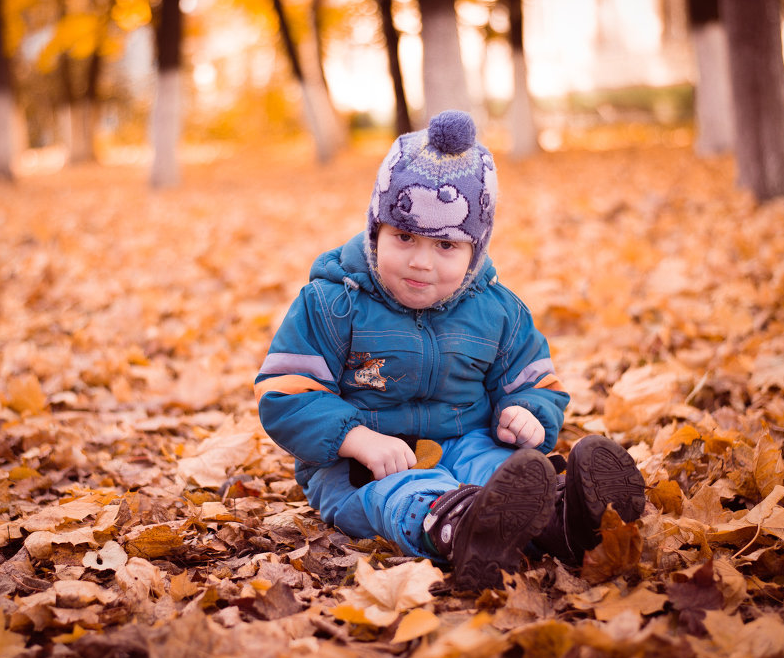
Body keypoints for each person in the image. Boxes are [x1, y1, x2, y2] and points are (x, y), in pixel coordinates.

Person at [254, 110, 644, 589]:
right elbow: (286, 392)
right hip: (363, 466)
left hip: (467, 442)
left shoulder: (498, 311)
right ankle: (459, 530)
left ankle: (566, 521)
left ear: (474, 251)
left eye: (446, 247)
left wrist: (528, 413)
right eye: (404, 237)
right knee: (402, 489)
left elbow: (535, 380)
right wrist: (357, 439)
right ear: (375, 229)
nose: (421, 262)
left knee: (503, 471)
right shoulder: (334, 303)